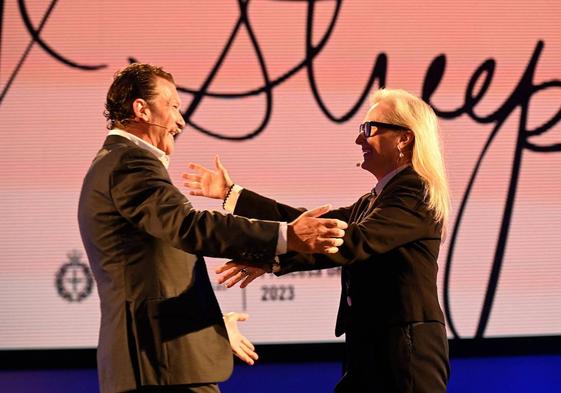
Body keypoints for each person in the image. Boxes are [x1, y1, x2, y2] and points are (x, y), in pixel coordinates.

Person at [77, 63, 347, 393]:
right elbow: (190, 226)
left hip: (161, 360)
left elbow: (148, 273)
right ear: (142, 109)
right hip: (161, 366)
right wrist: (286, 235)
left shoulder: (115, 161)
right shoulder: (130, 162)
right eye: (174, 106)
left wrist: (210, 326)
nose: (180, 121)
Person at [183, 88, 451, 392]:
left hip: (405, 350)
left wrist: (273, 256)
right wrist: (234, 196)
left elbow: (353, 242)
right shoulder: (374, 199)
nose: (359, 139)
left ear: (404, 137)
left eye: (369, 129)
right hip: (373, 344)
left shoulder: (414, 192)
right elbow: (309, 224)